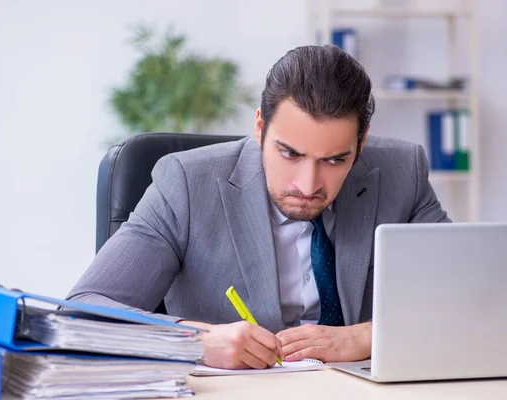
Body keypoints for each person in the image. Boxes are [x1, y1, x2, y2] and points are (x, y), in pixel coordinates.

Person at [67, 45, 450, 370]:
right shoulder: (186, 183)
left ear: (361, 144)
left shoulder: (403, 173)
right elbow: (83, 312)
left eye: (334, 160)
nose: (308, 184)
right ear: (259, 128)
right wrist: (195, 341)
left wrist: (368, 335)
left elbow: (474, 297)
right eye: (290, 153)